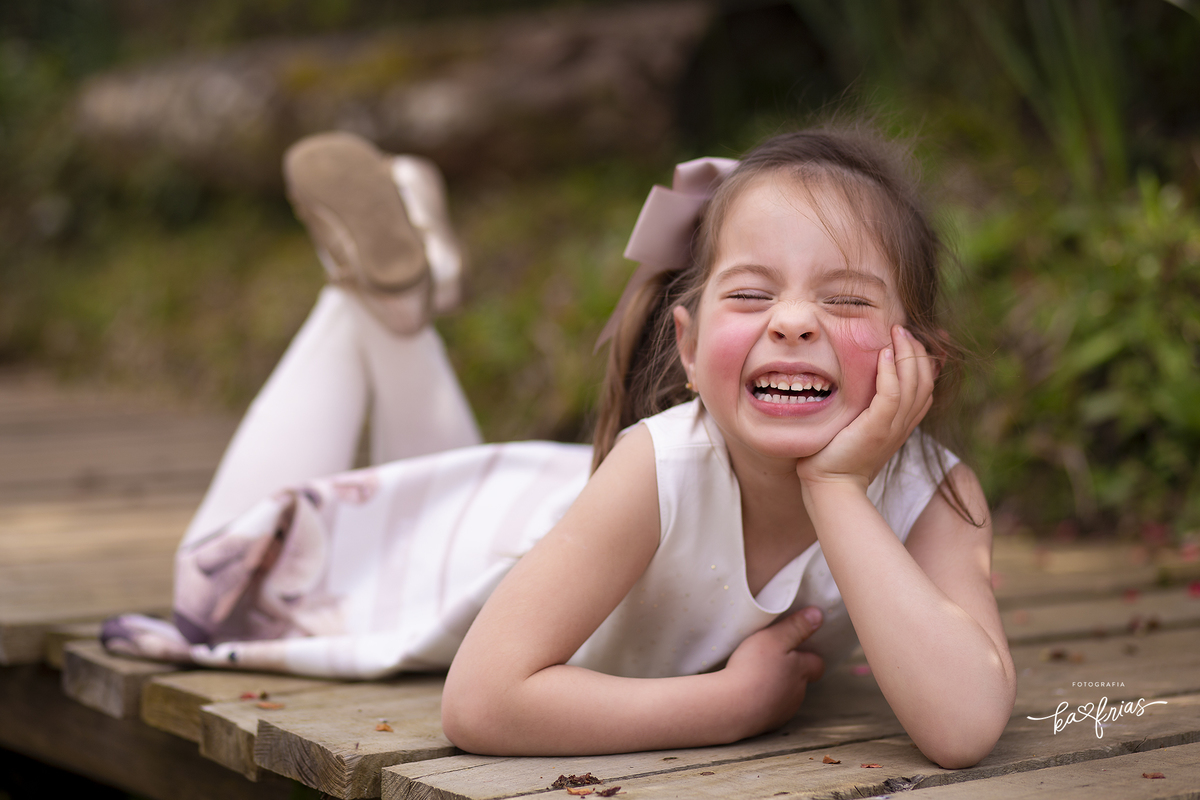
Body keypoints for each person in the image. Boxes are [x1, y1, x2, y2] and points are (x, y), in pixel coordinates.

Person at [102, 126, 1016, 769]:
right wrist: (724, 707)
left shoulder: (931, 494)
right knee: (215, 581)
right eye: (751, 294)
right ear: (689, 350)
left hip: (527, 526)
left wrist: (839, 489)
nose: (795, 322)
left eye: (848, 299)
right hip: (456, 560)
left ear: (920, 358)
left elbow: (965, 724)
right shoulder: (659, 466)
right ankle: (363, 307)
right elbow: (482, 703)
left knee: (436, 492)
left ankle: (392, 305)